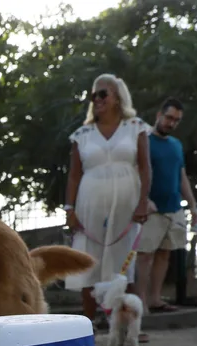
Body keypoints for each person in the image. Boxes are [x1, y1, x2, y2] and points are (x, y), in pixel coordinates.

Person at [64, 74, 152, 325]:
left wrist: (143, 201)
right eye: (94, 95)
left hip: (127, 204)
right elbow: (73, 176)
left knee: (127, 263)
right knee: (89, 261)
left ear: (117, 98)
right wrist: (69, 210)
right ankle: (87, 324)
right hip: (89, 204)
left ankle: (131, 324)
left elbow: (145, 168)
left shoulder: (136, 127)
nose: (98, 99)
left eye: (103, 94)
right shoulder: (81, 134)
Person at [135, 98, 197, 319]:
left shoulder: (176, 144)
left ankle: (155, 298)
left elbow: (181, 175)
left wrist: (192, 205)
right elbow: (136, 174)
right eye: (169, 118)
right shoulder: (143, 141)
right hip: (151, 210)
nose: (171, 123)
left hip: (174, 208)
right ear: (159, 115)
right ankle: (141, 302)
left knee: (165, 254)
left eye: (176, 120)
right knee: (145, 255)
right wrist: (143, 199)